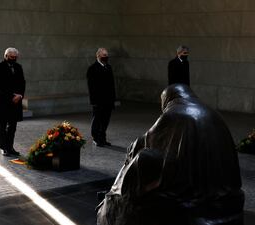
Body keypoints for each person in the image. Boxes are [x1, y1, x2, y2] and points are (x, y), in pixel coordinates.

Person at [97, 84, 244, 225]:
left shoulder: (174, 114)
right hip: (225, 192)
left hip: (192, 192)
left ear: (169, 99)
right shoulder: (212, 113)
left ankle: (112, 200)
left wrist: (134, 147)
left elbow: (148, 139)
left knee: (141, 160)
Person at [0, 47, 26, 156]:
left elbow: (22, 83)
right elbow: (0, 85)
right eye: (11, 57)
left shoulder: (18, 67)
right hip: (4, 101)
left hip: (16, 102)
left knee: (12, 127)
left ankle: (10, 147)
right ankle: (3, 148)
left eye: (15, 57)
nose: (13, 59)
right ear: (6, 56)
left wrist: (20, 95)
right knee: (2, 126)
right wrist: (13, 95)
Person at [87, 48, 116, 147]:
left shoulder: (109, 67)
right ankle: (96, 138)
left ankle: (102, 138)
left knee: (105, 121)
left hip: (108, 100)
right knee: (97, 120)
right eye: (104, 55)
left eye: (106, 55)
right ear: (98, 56)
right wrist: (94, 101)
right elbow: (91, 87)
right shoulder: (92, 69)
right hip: (98, 101)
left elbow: (112, 85)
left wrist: (113, 99)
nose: (106, 57)